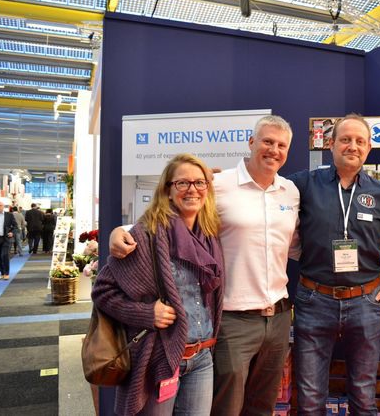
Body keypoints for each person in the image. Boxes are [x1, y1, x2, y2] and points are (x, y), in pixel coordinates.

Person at [110, 115, 300, 415]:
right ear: (251, 142)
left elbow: (297, 244)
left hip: (278, 316)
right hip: (234, 319)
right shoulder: (217, 184)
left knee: (263, 406)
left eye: (281, 145)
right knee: (226, 407)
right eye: (267, 142)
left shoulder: (290, 191)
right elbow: (170, 215)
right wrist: (121, 231)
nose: (274, 150)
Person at [290, 114, 380, 415]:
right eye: (345, 139)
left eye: (359, 141)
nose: (352, 146)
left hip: (366, 302)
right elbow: (263, 193)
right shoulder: (303, 184)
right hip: (314, 300)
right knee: (309, 399)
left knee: (364, 398)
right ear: (331, 144)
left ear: (368, 148)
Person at [93, 153, 224, 415]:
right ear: (167, 190)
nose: (192, 189)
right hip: (160, 357)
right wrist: (145, 313)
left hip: (202, 357)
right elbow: (102, 290)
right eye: (182, 183)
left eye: (199, 183)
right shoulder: (146, 234)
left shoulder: (209, 235)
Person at [0, 202, 17, 280]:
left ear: (3, 206)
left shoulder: (9, 215)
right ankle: (2, 273)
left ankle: (6, 273)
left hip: (6, 238)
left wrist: (12, 232)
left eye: (0, 205)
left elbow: (15, 226)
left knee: (4, 255)